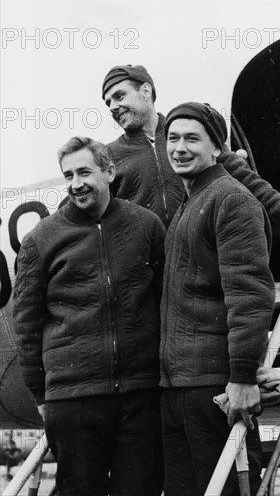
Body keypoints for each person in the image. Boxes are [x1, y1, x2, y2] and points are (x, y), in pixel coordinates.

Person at [13, 137, 166, 496]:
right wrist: (41, 393)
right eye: (68, 175)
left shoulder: (147, 226)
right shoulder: (41, 239)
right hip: (73, 398)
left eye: (84, 172)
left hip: (140, 393)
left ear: (110, 171)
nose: (75, 183)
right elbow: (26, 324)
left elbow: (165, 299)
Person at [160, 102, 276, 495]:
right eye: (173, 138)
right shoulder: (189, 204)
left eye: (192, 138)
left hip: (215, 387)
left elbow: (250, 294)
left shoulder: (231, 199)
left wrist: (243, 376)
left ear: (216, 148)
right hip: (180, 387)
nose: (179, 147)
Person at [102, 64, 280, 249]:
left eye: (119, 96)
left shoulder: (191, 135)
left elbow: (247, 179)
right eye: (108, 102)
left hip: (204, 257)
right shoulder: (108, 156)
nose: (113, 106)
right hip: (149, 272)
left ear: (146, 91)